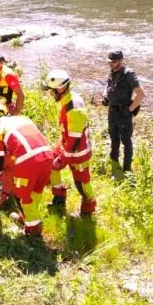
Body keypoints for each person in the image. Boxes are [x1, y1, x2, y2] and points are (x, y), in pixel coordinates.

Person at [0, 103, 53, 235]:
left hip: (28, 160)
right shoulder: (23, 118)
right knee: (35, 190)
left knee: (22, 194)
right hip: (47, 155)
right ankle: (26, 217)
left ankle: (33, 229)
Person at [41, 69, 97, 217]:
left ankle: (88, 208)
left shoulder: (74, 109)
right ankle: (59, 198)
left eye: (51, 91)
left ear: (60, 88)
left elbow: (75, 140)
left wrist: (63, 158)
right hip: (67, 143)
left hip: (78, 151)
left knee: (81, 182)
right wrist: (59, 150)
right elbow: (68, 131)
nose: (50, 93)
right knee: (52, 165)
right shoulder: (65, 99)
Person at [102, 51, 146, 172]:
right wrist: (105, 96)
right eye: (109, 62)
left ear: (121, 60)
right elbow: (108, 86)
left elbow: (141, 95)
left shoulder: (129, 74)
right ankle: (114, 164)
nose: (110, 64)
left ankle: (127, 170)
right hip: (112, 111)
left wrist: (130, 110)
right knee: (114, 139)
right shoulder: (112, 72)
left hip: (123, 113)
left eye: (113, 62)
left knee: (126, 141)